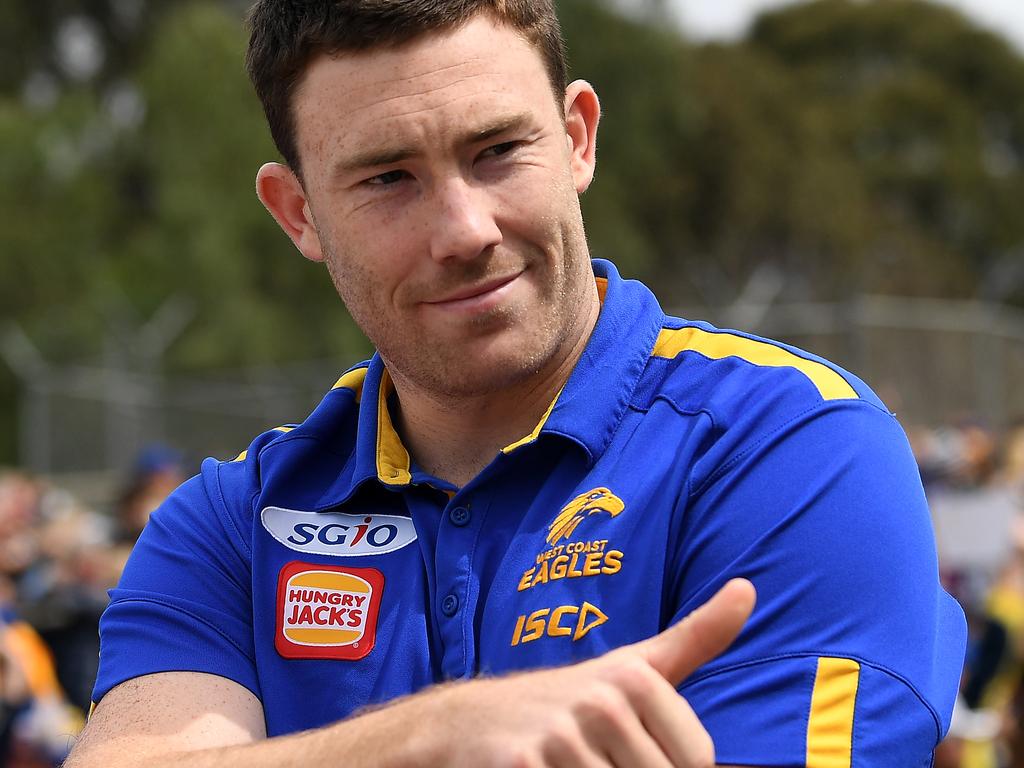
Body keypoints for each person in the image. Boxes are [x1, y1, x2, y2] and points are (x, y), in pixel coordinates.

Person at [66, 1, 966, 766]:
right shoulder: (229, 525)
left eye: (497, 150)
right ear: (299, 213)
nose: (464, 229)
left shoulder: (791, 445)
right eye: (388, 179)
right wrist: (428, 739)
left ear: (577, 138)